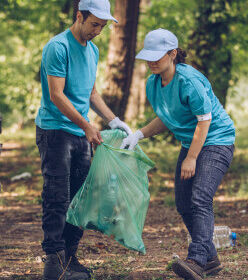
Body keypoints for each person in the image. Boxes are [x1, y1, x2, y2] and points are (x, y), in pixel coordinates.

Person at [121, 28, 235, 280]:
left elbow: (204, 121)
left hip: (217, 140)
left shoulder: (189, 81)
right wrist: (138, 134)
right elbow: (166, 118)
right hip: (191, 143)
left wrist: (192, 157)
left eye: (157, 56)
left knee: (200, 198)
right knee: (184, 204)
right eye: (148, 56)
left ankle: (196, 260)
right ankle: (212, 259)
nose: (151, 61)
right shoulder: (153, 83)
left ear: (173, 54)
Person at [35, 1, 133, 279]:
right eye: (94, 24)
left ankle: (70, 258)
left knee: (81, 199)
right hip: (55, 131)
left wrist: (114, 120)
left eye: (102, 26)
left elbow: (90, 93)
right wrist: (87, 125)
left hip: (80, 133)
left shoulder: (93, 50)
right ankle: (54, 263)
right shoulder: (58, 47)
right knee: (57, 197)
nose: (98, 31)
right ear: (79, 16)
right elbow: (57, 94)